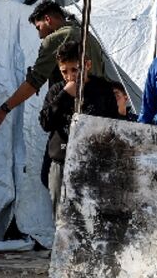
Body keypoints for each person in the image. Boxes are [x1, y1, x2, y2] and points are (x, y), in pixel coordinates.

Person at [0, 0, 106, 133]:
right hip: (99, 115)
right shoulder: (89, 37)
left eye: (39, 28)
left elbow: (34, 81)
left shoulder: (55, 38)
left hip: (71, 119)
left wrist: (3, 110)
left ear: (48, 19)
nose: (40, 35)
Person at [38, 39, 122, 208]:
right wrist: (64, 95)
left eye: (75, 69)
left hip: (93, 162)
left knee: (91, 216)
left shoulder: (102, 89)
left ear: (87, 65)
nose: (70, 76)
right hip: (62, 161)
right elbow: (46, 123)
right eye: (64, 71)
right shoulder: (56, 91)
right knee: (61, 216)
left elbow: (114, 123)